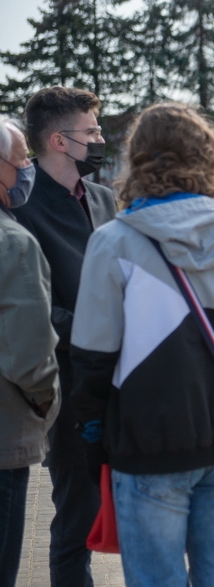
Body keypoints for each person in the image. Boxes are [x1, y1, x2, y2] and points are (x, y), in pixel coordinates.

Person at [68, 103, 214, 586]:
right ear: (208, 158)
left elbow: (92, 360)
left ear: (138, 159)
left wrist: (93, 437)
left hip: (145, 445)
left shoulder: (114, 242)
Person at [15, 86, 116, 586]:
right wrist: (93, 329)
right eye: (92, 131)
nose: (101, 139)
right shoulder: (22, 207)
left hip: (122, 379)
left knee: (142, 506)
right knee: (78, 516)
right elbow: (25, 306)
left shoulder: (103, 197)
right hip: (69, 387)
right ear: (59, 140)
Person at [0, 116, 60, 587]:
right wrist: (47, 402)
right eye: (21, 159)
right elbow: (31, 356)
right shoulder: (13, 243)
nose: (27, 169)